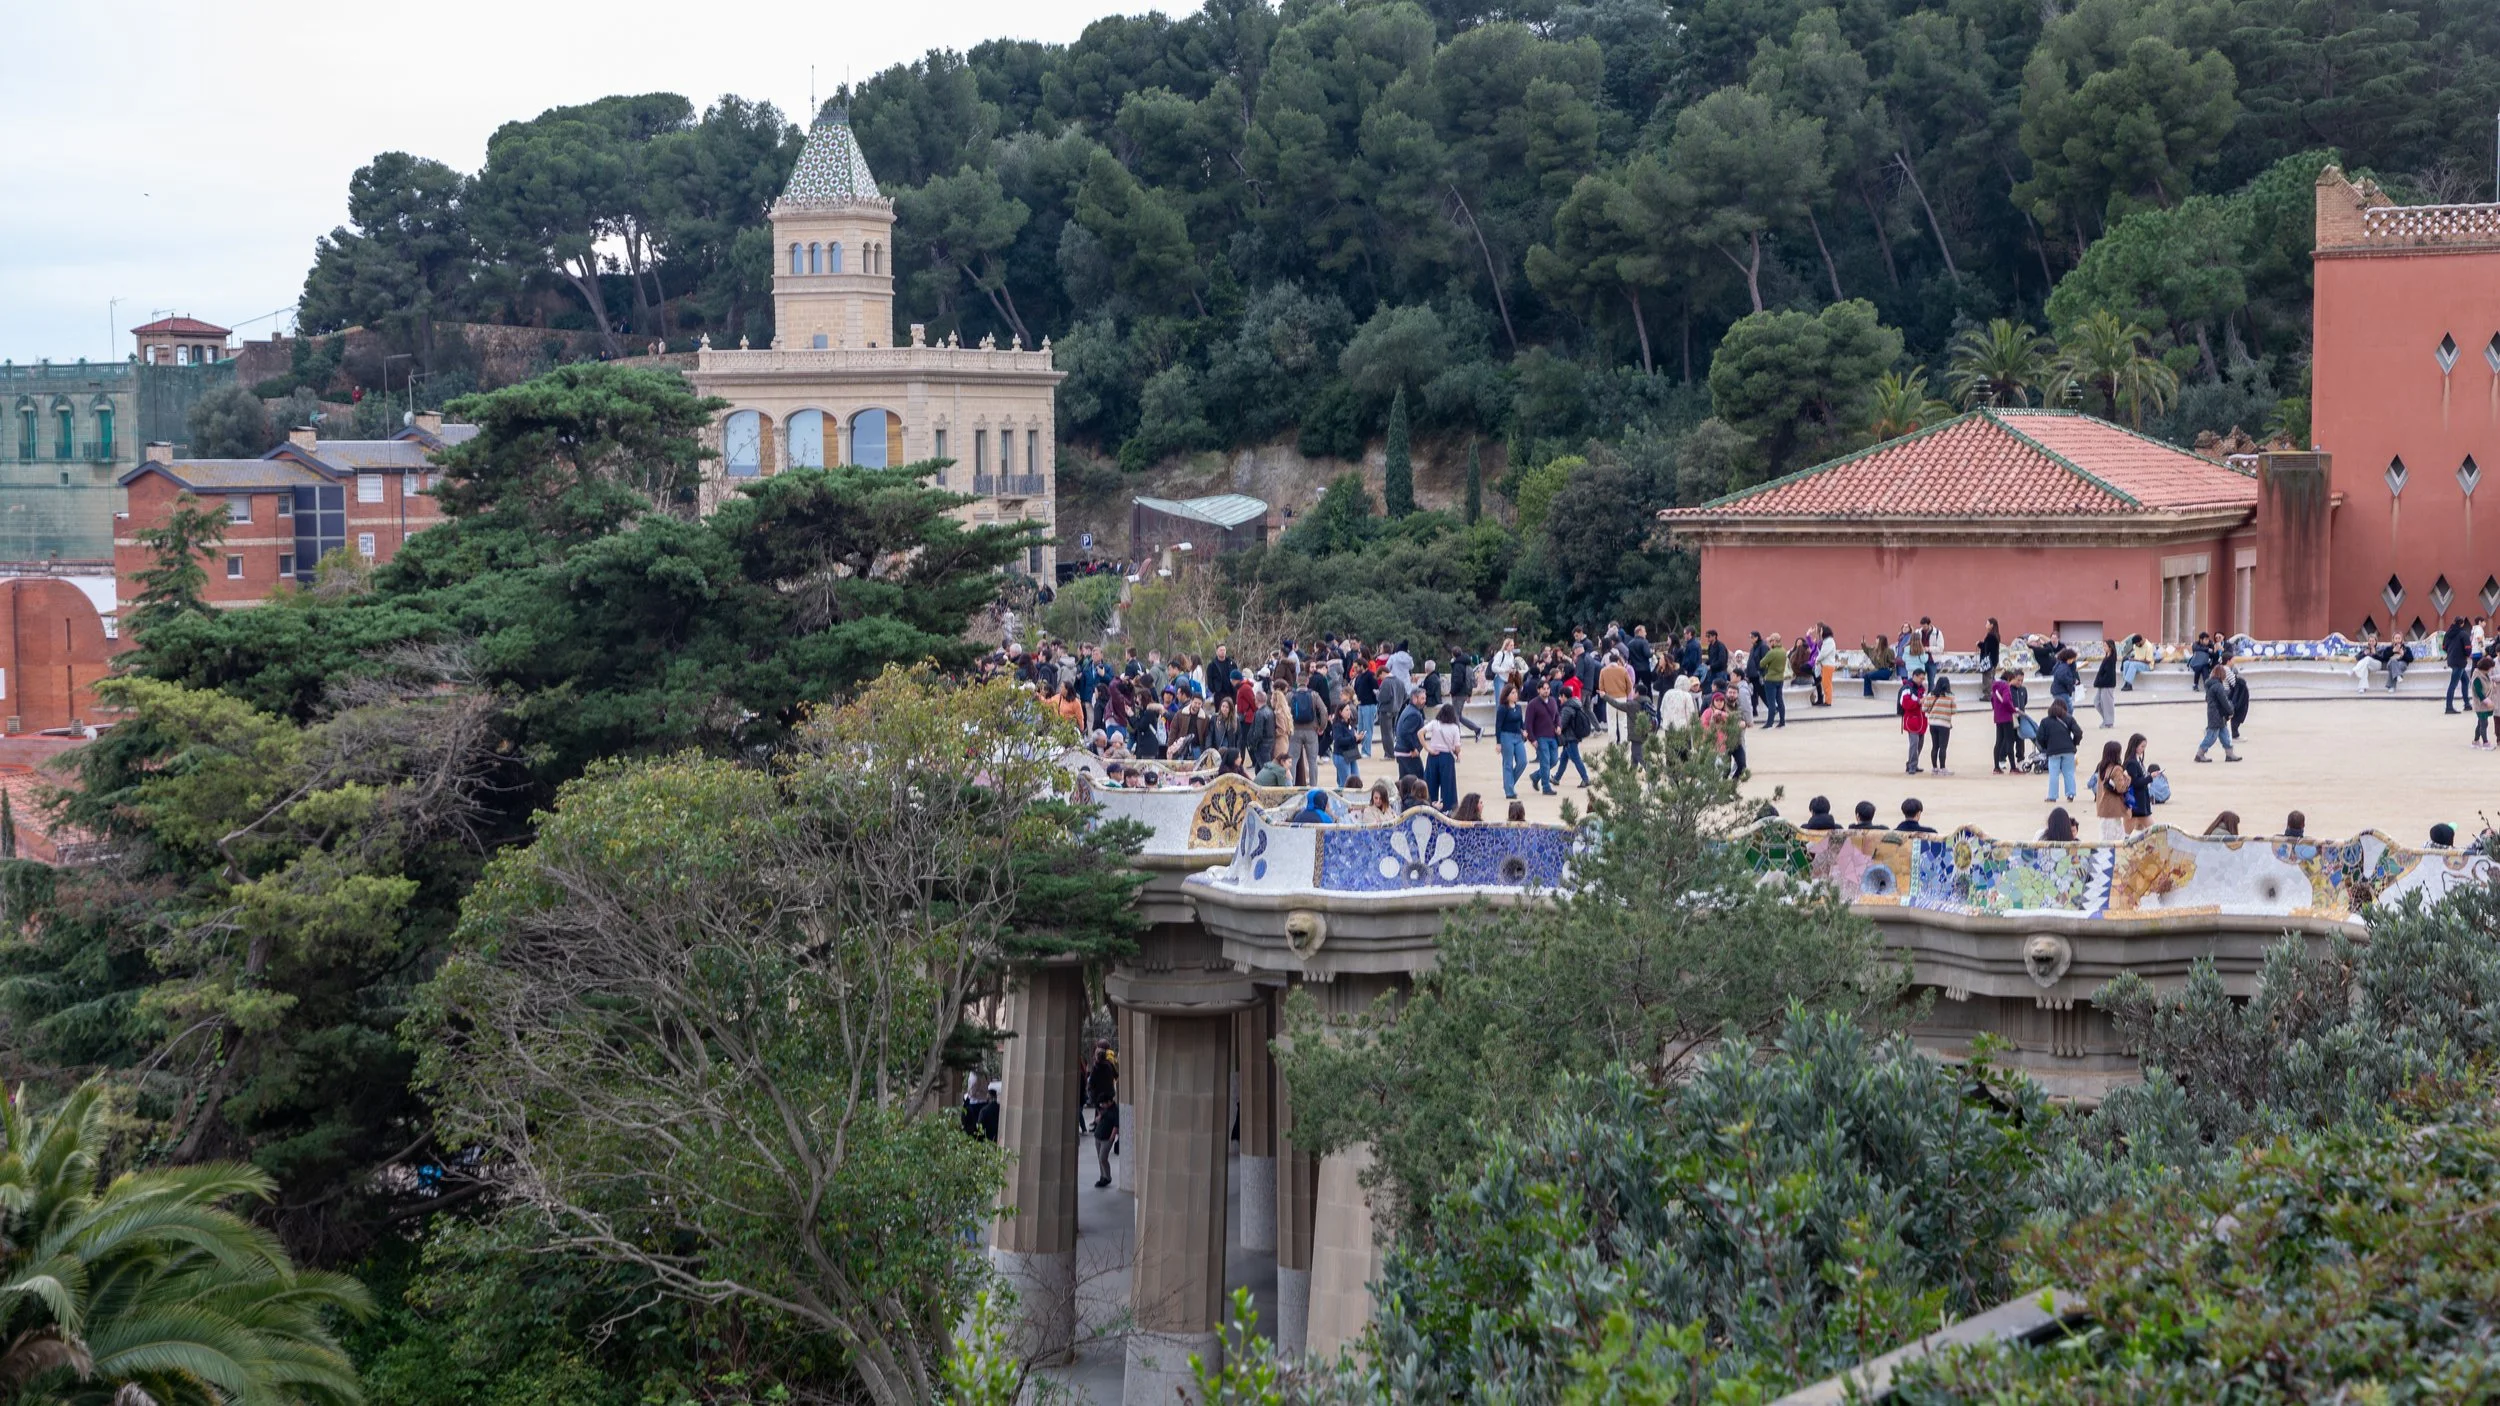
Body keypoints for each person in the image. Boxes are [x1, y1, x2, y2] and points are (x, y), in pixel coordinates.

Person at [1085, 1044, 1119, 1187]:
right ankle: (1104, 1176)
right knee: (1104, 1120)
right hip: (1109, 1096)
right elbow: (1116, 1076)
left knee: (1104, 1120)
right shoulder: (1110, 1066)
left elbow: (1091, 1083)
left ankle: (1105, 1176)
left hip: (1101, 1099)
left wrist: (1092, 1096)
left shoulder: (1097, 1068)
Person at [2195, 663, 2243, 763]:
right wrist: (2231, 711)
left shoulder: (2211, 685)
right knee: (2211, 736)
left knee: (2224, 734)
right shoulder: (2218, 686)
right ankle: (2200, 754)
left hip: (2215, 713)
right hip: (2218, 714)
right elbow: (2224, 701)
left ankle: (2229, 754)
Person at [2036, 699, 2082, 802]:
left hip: (2053, 750)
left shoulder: (2045, 721)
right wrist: (2074, 743)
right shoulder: (2069, 719)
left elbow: (2039, 737)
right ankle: (2070, 794)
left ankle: (2052, 796)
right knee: (2069, 772)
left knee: (2053, 774)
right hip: (2068, 750)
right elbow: (2078, 732)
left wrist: (2046, 747)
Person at [1423, 704, 1464, 811]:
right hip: (1446, 756)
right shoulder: (1454, 728)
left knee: (1431, 783)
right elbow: (1457, 747)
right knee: (1448, 786)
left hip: (1433, 755)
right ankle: (1449, 809)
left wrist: (1427, 748)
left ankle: (1430, 807)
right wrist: (1457, 753)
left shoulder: (1434, 724)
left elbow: (1420, 733)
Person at [1525, 681, 1561, 795]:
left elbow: (1557, 716)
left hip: (1552, 736)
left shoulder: (1553, 701)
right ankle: (1546, 787)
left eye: (1547, 688)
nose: (1546, 690)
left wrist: (1559, 726)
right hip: (1540, 737)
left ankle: (1536, 776)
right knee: (1545, 762)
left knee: (1554, 760)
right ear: (1538, 690)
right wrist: (1532, 739)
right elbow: (1528, 723)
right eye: (1543, 688)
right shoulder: (1533, 704)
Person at [1554, 688, 1596, 788]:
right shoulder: (1576, 704)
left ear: (1564, 696)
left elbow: (1562, 724)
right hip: (1574, 736)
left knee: (1576, 759)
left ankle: (1585, 779)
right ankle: (1556, 778)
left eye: (1560, 696)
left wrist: (1555, 726)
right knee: (1564, 758)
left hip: (1570, 738)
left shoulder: (1567, 708)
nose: (1559, 699)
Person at [2093, 740, 2130, 841]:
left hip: (2103, 806)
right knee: (2116, 839)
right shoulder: (2117, 769)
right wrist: (2128, 780)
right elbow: (2121, 788)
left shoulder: (2102, 767)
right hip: (2114, 808)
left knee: (2104, 838)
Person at [1598, 651, 1637, 743]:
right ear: (1617, 660)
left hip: (1609, 698)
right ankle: (1624, 741)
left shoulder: (1603, 671)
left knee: (1611, 721)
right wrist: (1625, 693)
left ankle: (1612, 742)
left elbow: (1601, 687)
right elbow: (1630, 685)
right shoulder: (1623, 670)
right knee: (1622, 721)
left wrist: (1605, 695)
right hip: (1622, 697)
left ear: (1609, 660)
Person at [2123, 733, 2154, 834]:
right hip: (2137, 801)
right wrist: (2150, 777)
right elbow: (2135, 782)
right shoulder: (2132, 762)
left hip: (2139, 801)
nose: (2143, 749)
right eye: (2142, 746)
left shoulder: (2137, 760)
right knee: (2152, 830)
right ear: (2135, 746)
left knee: (2132, 831)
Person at [1990, 670, 2020, 774]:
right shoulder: (2005, 686)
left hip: (1998, 717)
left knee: (1998, 741)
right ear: (2009, 679)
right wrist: (2012, 710)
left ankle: (1996, 767)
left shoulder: (1995, 686)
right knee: (2009, 741)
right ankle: (2013, 767)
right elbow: (2006, 701)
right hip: (2007, 717)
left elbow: (1992, 701)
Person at [1926, 676, 1957, 775]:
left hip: (1932, 723)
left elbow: (1924, 708)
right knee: (1943, 747)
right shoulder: (1950, 696)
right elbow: (1954, 711)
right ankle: (1943, 768)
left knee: (1935, 746)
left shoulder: (1930, 694)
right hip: (1944, 724)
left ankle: (1934, 768)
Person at [1328, 702, 1363, 787]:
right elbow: (1339, 740)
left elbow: (1352, 739)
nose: (1349, 712)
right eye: (1346, 710)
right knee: (1345, 783)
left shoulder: (1350, 723)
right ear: (1340, 712)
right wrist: (1354, 739)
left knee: (1356, 780)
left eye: (1349, 710)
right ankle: (1341, 799)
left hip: (1351, 754)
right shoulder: (1337, 725)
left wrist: (1358, 739)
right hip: (1341, 755)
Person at [1760, 632, 1791, 727]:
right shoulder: (1783, 651)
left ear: (1774, 641)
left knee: (1771, 702)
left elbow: (1762, 663)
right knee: (1780, 701)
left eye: (1770, 641)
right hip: (1780, 678)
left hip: (1770, 679)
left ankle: (1769, 723)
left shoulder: (1772, 652)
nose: (1769, 643)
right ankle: (1782, 721)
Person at [1900, 677, 1929, 775]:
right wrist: (1918, 702)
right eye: (1921, 678)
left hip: (1921, 720)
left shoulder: (1922, 689)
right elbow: (1905, 704)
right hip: (1912, 720)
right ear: (1915, 676)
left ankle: (1912, 764)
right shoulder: (1907, 689)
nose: (1922, 680)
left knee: (1919, 744)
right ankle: (1912, 766)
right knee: (1914, 744)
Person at [2445, 616, 2474, 713]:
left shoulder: (2448, 633)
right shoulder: (2463, 634)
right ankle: (2449, 707)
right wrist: (2467, 655)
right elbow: (2468, 649)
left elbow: (2444, 646)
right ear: (2462, 624)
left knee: (2465, 680)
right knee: (2453, 684)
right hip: (2460, 661)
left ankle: (2467, 704)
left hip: (2452, 660)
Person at [2091, 643, 2119, 729]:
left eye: (2105, 646)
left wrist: (2101, 681)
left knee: (2107, 703)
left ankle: (2109, 722)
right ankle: (2106, 719)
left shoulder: (2111, 659)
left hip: (2108, 684)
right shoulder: (2107, 657)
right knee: (2097, 702)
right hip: (2102, 683)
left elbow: (2109, 674)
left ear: (2110, 648)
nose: (2104, 648)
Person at [2474, 658, 2496, 748]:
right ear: (2486, 668)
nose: (2491, 669)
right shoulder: (2477, 678)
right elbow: (2478, 692)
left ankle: (2475, 741)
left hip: (2485, 704)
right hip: (2480, 705)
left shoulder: (2485, 675)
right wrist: (2486, 701)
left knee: (2480, 723)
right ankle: (2485, 742)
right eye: (2491, 668)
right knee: (2484, 723)